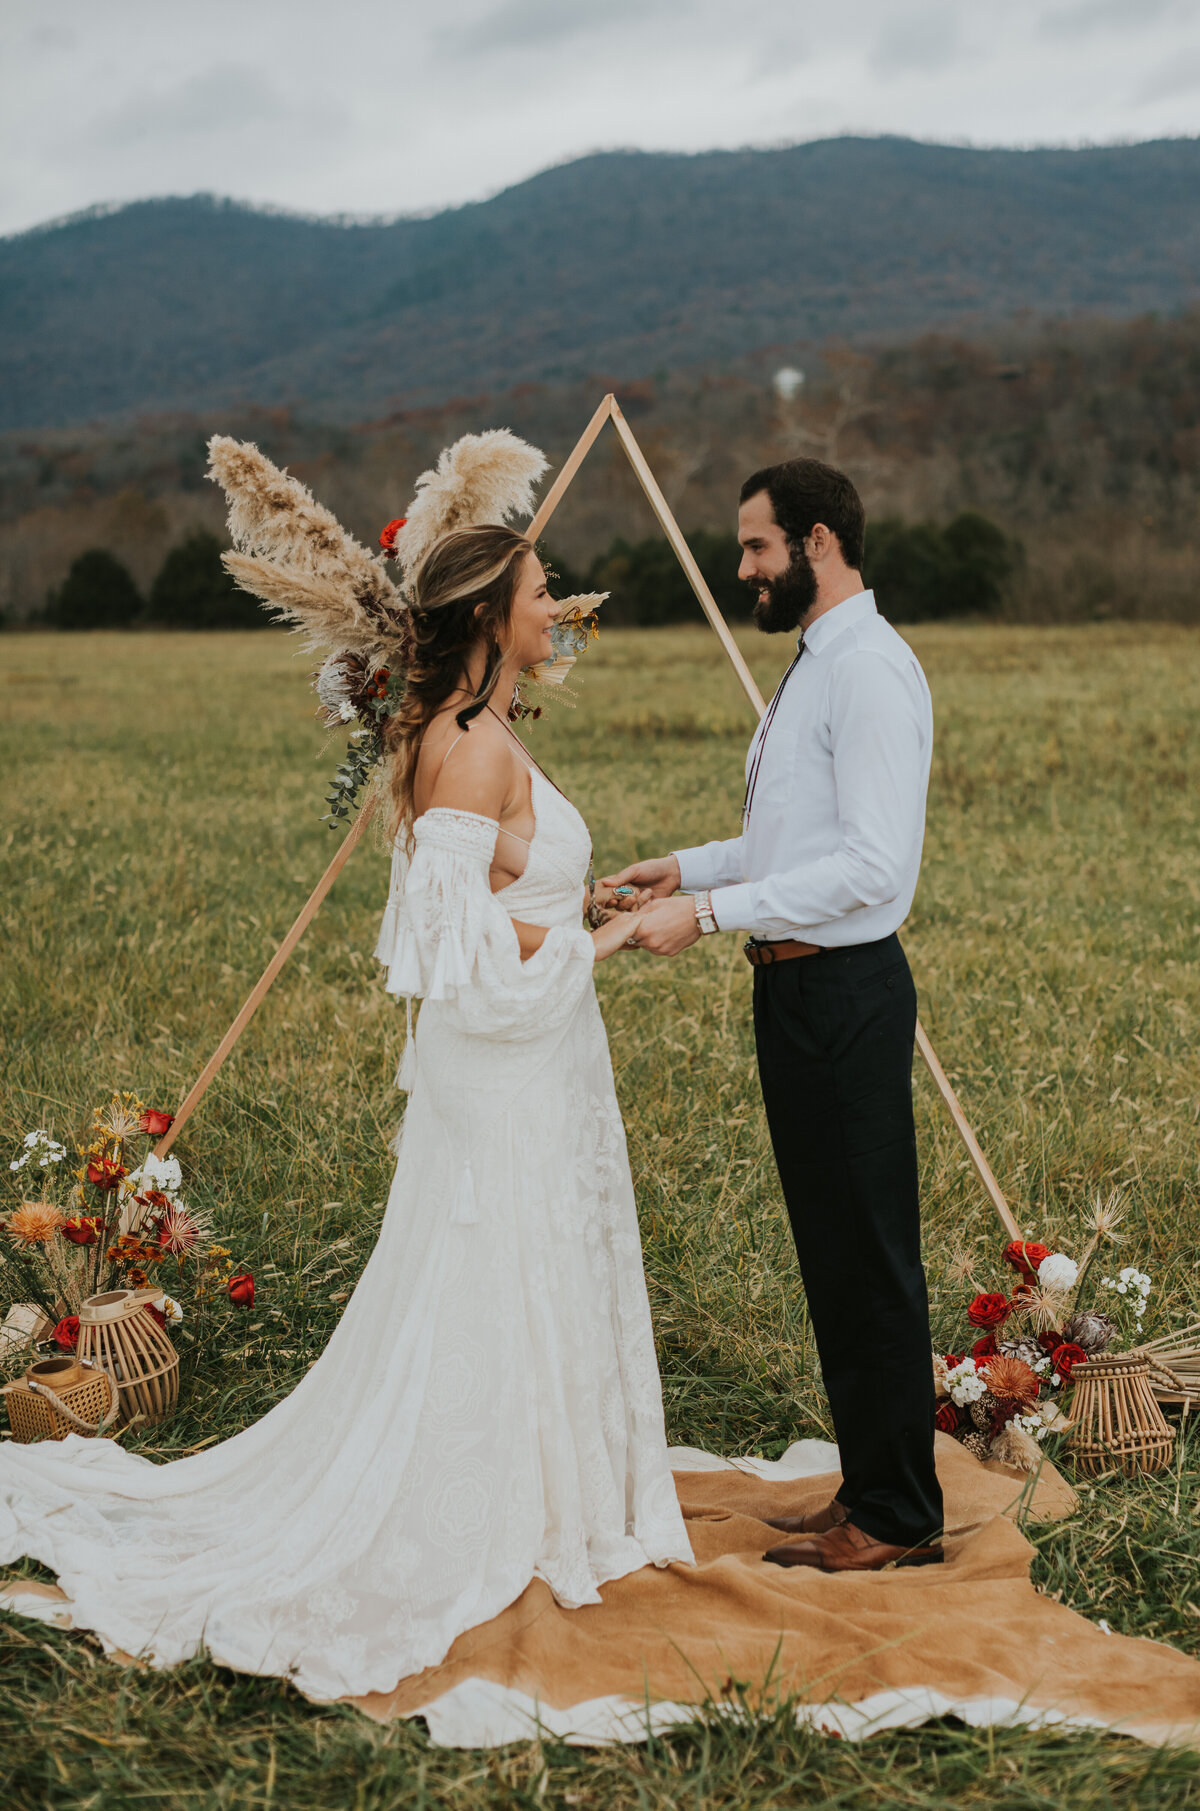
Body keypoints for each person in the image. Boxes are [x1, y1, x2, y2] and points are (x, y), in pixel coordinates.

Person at [0, 524, 692, 1700]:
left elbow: (486, 889)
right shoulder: (468, 746)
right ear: (487, 616)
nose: (555, 608)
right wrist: (604, 933)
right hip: (504, 1064)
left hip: (537, 1052)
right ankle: (478, 1501)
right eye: (537, 593)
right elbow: (450, 936)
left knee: (533, 1259)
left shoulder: (482, 732)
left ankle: (540, 1482)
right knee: (492, 1264)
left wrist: (587, 891)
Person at [604, 457, 944, 1573]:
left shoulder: (872, 673)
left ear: (817, 543)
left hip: (844, 992)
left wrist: (706, 913)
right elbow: (795, 839)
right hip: (792, 988)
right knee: (832, 1251)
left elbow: (869, 865)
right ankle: (869, 1483)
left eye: (756, 545)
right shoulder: (815, 665)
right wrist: (686, 868)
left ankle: (895, 1514)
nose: (740, 564)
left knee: (872, 1254)